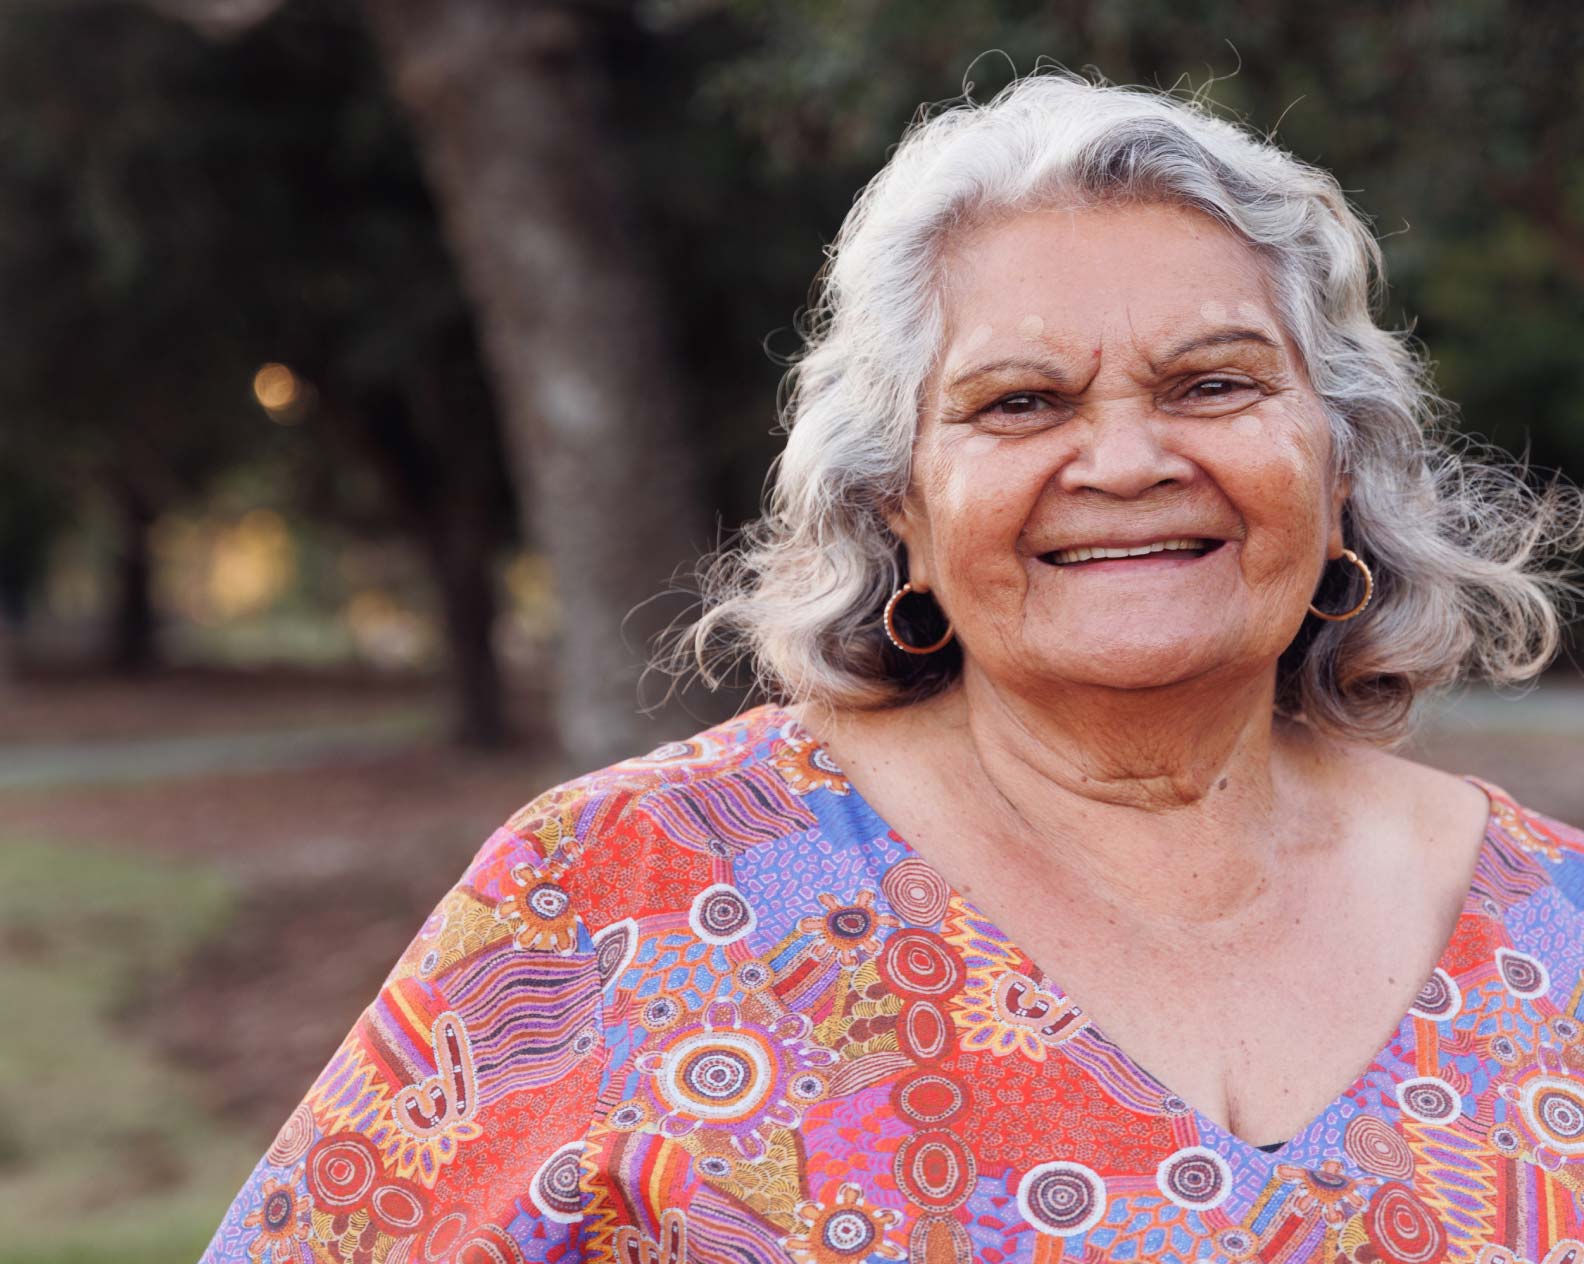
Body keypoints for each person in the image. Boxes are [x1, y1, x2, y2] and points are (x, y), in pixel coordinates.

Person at [200, 70, 1584, 1264]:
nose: (1125, 461)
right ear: (895, 508)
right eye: (1020, 402)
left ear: (1337, 465)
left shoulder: (1557, 929)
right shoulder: (627, 894)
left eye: (1213, 384)